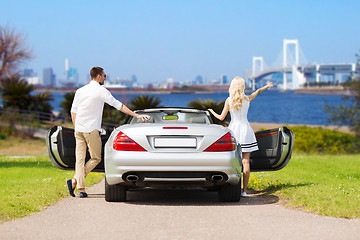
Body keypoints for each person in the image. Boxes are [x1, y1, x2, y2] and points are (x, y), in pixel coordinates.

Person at [67, 67, 150, 198]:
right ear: (98, 76)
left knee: (80, 159)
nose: (105, 78)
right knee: (95, 158)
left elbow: (73, 112)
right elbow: (119, 105)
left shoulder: (80, 91)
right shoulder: (101, 91)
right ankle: (75, 181)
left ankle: (81, 189)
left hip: (79, 129)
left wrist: (77, 126)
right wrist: (136, 115)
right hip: (91, 130)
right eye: (104, 75)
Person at [208, 76, 273, 197]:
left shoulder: (229, 100)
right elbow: (257, 92)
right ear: (242, 86)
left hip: (234, 131)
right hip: (246, 130)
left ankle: (231, 186)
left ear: (232, 86)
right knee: (245, 161)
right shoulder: (247, 98)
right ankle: (244, 191)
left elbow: (221, 118)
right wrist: (266, 86)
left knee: (233, 160)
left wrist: (211, 112)